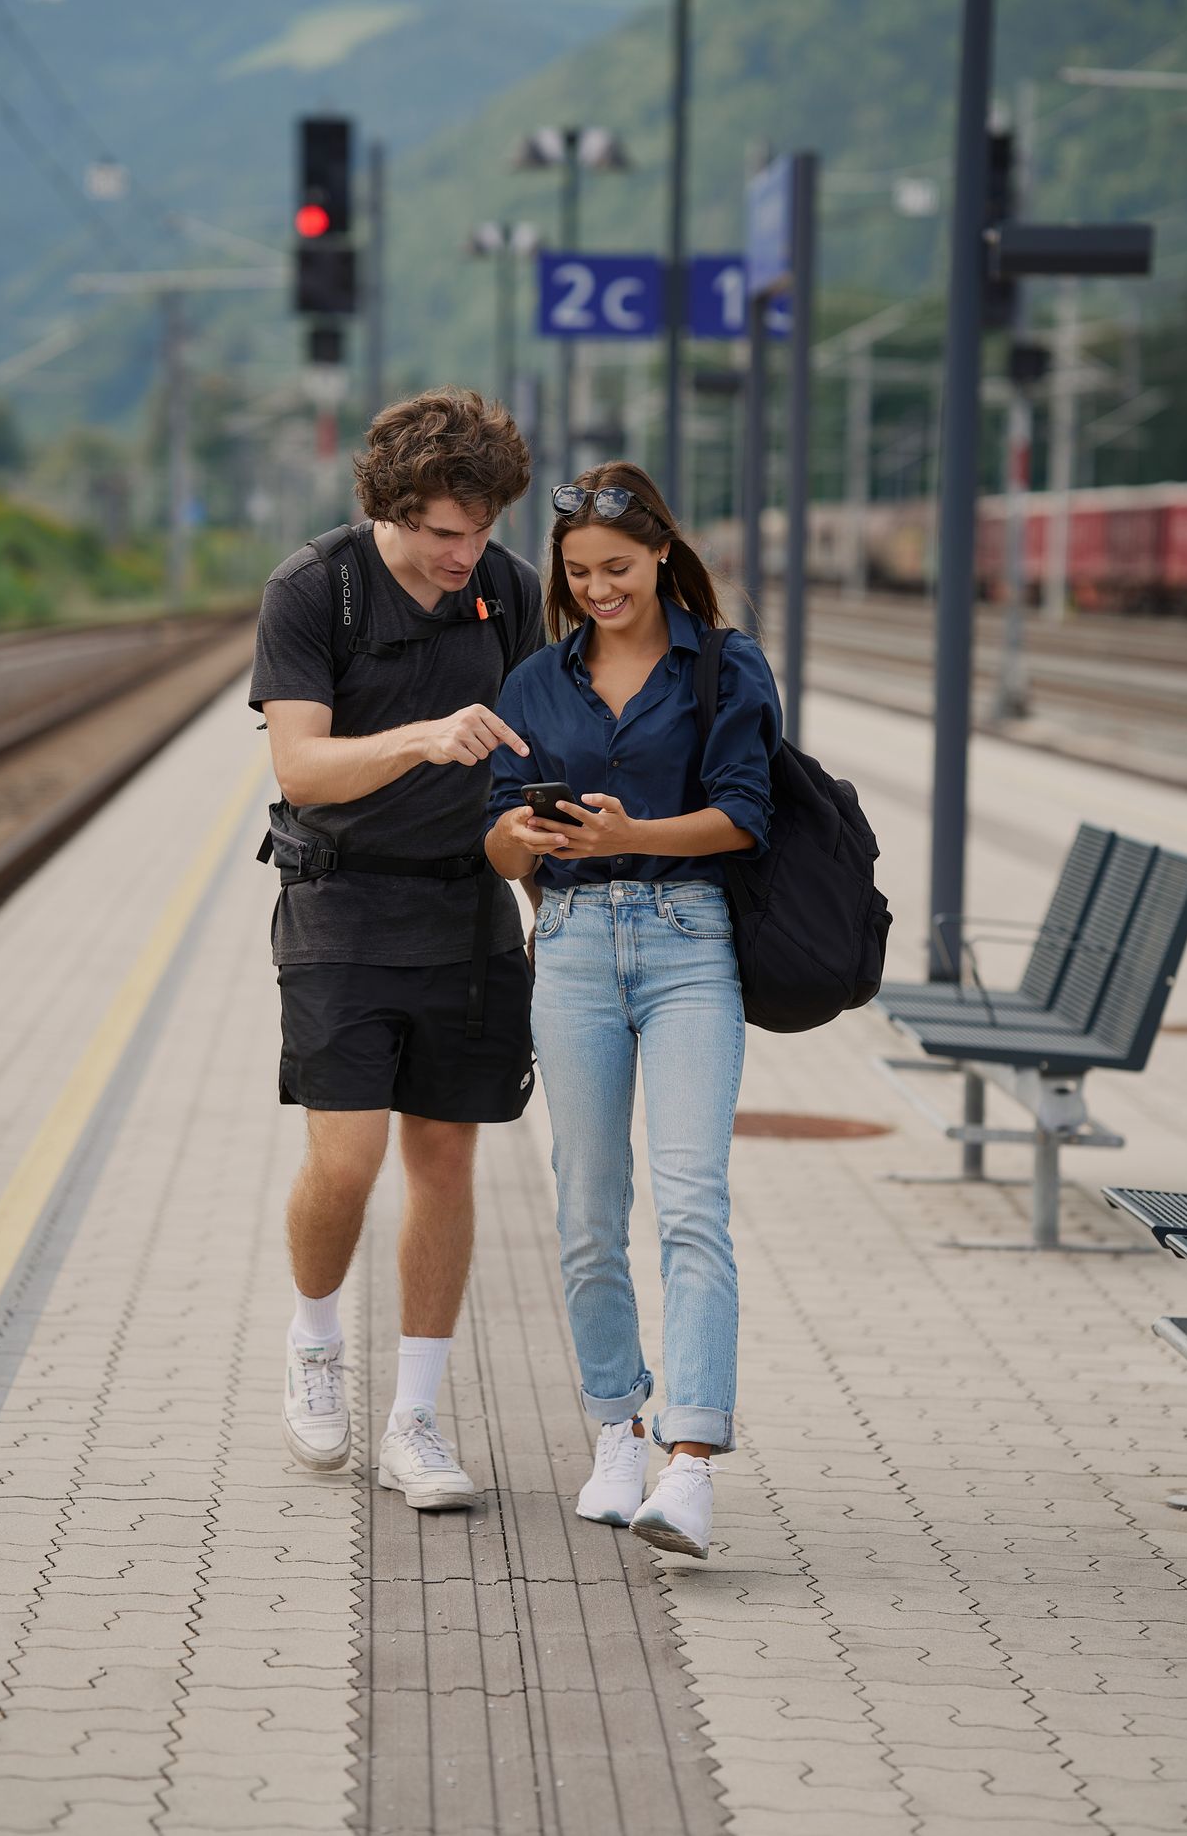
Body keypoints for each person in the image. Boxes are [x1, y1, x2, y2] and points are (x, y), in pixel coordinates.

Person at [251, 387, 544, 1510]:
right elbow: (301, 771)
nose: (466, 553)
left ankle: (416, 1415)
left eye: (481, 529)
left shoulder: (508, 591)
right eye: (442, 532)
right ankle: (317, 1340)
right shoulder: (312, 588)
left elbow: (535, 741)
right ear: (389, 508)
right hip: (342, 908)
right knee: (347, 1162)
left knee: (447, 1163)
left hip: (468, 912)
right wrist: (424, 739)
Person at [485, 462, 781, 1559]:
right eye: (580, 573)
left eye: (618, 567)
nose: (601, 588)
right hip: (567, 951)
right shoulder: (534, 683)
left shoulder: (726, 667)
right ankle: (616, 1428)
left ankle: (690, 1462)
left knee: (693, 1199)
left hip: (689, 943)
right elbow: (493, 835)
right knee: (586, 1209)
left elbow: (744, 816)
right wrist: (532, 837)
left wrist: (631, 835)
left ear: (661, 552)